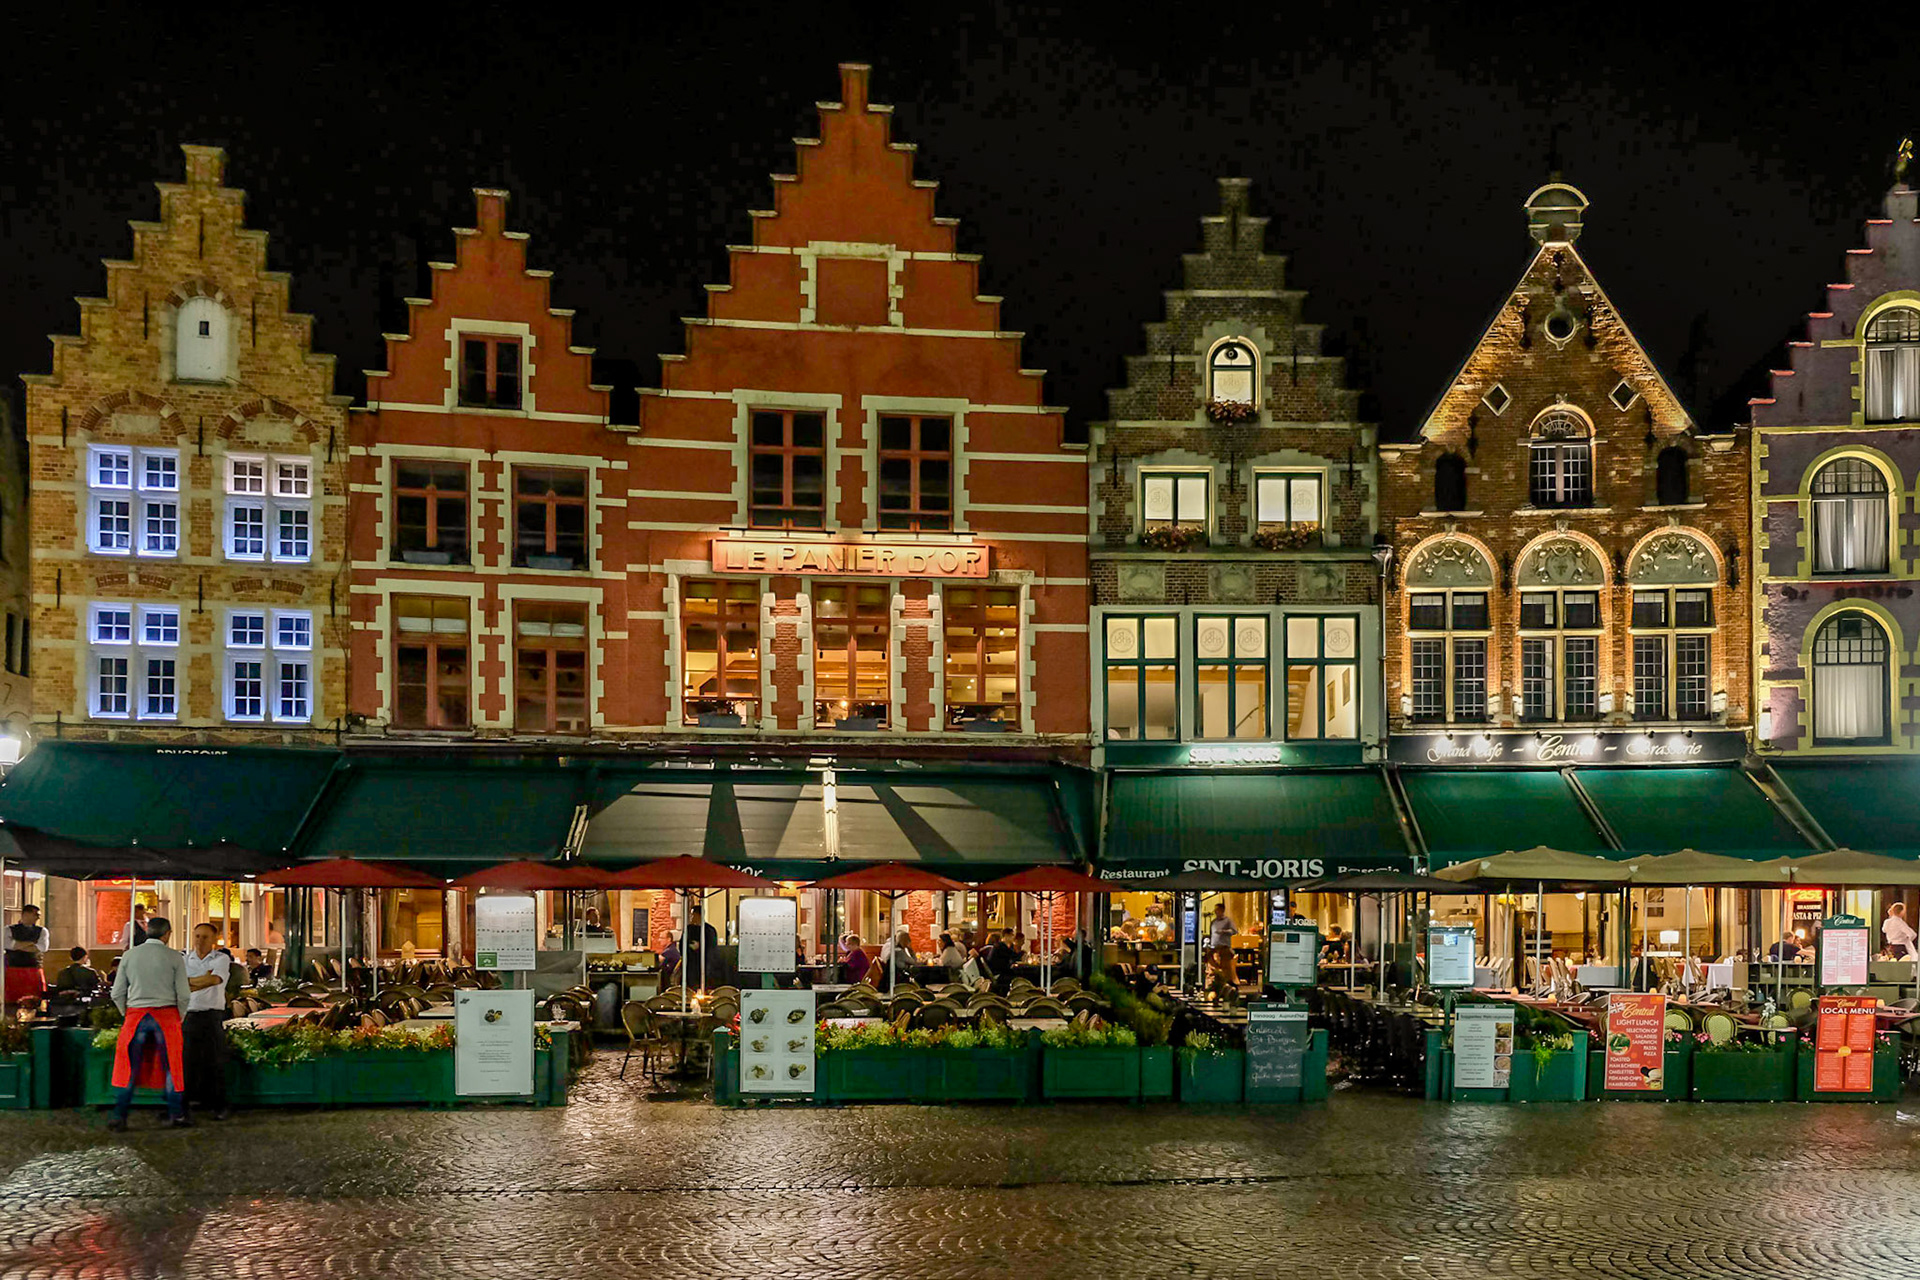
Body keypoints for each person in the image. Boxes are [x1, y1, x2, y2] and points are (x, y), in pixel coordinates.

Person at [108, 916, 192, 1131]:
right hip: (167, 1015)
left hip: (136, 1015)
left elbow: (117, 992)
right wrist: (179, 1016)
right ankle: (177, 1114)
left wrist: (127, 1013)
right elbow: (183, 994)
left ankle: (120, 1115)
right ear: (167, 934)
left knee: (129, 1067)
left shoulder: (129, 955)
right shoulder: (174, 957)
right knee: (172, 1067)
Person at [181, 923, 232, 1121]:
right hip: (190, 1015)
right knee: (188, 1062)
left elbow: (214, 980)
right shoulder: (184, 959)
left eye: (204, 937)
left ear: (214, 940)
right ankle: (188, 1104)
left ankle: (219, 1105)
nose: (200, 941)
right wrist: (201, 980)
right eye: (197, 936)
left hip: (212, 1015)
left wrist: (189, 983)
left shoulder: (221, 958)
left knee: (216, 1060)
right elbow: (178, 984)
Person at [5, 904, 48, 1012]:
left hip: (34, 969)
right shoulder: (8, 929)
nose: (38, 918)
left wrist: (18, 946)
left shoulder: (42, 931)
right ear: (26, 914)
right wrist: (30, 944)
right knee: (12, 1002)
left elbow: (41, 948)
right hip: (13, 969)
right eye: (36, 915)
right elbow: (7, 945)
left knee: (35, 1001)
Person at [681, 908, 721, 989]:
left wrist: (700, 947)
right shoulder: (688, 929)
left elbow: (711, 949)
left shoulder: (709, 930)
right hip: (690, 968)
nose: (691, 917)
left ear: (698, 915)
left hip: (705, 968)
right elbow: (682, 946)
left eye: (692, 915)